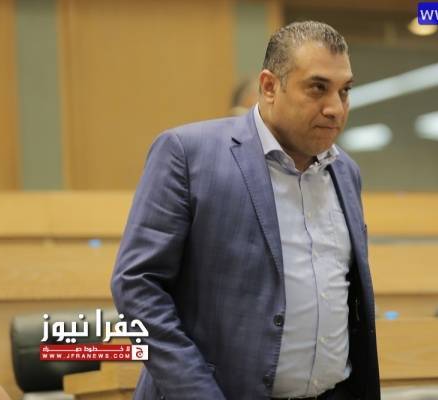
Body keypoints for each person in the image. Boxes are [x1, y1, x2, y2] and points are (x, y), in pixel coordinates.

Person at [112, 21, 380, 400]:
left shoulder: (345, 171)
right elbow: (138, 286)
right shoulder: (187, 153)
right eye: (317, 88)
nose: (335, 108)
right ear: (269, 86)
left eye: (345, 90)